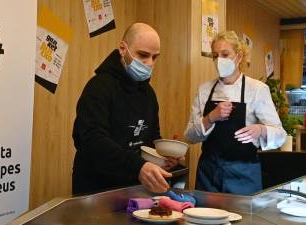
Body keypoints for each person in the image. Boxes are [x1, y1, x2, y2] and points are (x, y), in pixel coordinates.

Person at [72, 23, 181, 195]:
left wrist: (165, 157)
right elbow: (92, 141)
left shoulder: (149, 95)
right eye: (143, 55)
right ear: (123, 49)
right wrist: (138, 167)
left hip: (135, 191)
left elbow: (151, 139)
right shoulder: (99, 87)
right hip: (97, 190)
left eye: (155, 57)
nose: (149, 63)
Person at [184, 31, 286, 195]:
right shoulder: (204, 90)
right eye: (215, 56)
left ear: (239, 57)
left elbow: (280, 135)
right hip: (208, 173)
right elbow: (189, 136)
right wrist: (210, 118)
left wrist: (261, 130)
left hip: (244, 174)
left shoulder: (257, 89)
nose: (219, 60)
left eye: (225, 54)